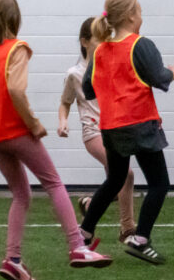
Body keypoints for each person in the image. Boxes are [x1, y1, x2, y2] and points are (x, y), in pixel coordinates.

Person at [0, 0, 112, 280]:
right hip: (15, 130)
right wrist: (33, 123)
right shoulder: (16, 49)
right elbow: (15, 90)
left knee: (21, 194)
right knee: (53, 182)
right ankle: (77, 246)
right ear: (10, 20)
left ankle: (13, 260)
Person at [77, 0, 174, 265]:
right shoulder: (140, 45)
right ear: (130, 16)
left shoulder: (100, 50)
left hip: (111, 128)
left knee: (115, 180)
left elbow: (88, 89)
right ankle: (140, 239)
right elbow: (159, 78)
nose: (141, 17)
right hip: (140, 125)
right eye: (140, 12)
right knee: (159, 183)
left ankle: (84, 233)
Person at [58, 17, 136, 244]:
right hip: (93, 133)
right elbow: (65, 102)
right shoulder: (75, 74)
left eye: (106, 38)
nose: (104, 43)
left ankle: (90, 205)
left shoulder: (111, 66)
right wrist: (63, 121)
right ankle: (127, 228)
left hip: (115, 130)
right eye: (98, 39)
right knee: (126, 175)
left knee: (115, 184)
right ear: (84, 42)